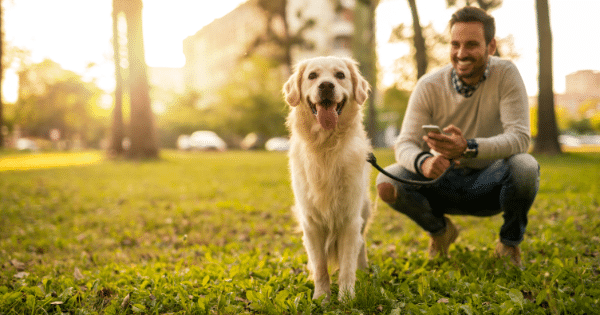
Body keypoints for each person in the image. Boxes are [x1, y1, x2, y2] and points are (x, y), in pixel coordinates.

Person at [376, 6, 540, 267]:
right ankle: (441, 232)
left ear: (491, 46)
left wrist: (468, 147)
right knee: (387, 181)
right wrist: (424, 163)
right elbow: (405, 142)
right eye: (455, 44)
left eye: (472, 45)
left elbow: (520, 138)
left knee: (525, 166)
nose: (461, 53)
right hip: (441, 183)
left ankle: (508, 244)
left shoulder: (506, 74)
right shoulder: (428, 85)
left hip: (490, 183)